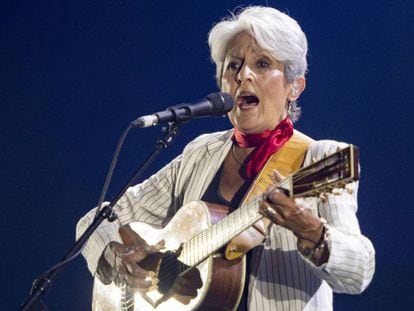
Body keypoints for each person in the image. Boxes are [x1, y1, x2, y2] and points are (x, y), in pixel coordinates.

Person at [77, 6, 375, 310]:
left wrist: (312, 231)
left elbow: (359, 272)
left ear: (294, 87)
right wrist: (117, 256)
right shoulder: (200, 153)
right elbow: (94, 221)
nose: (244, 75)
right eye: (234, 65)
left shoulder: (322, 158)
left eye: (261, 64)